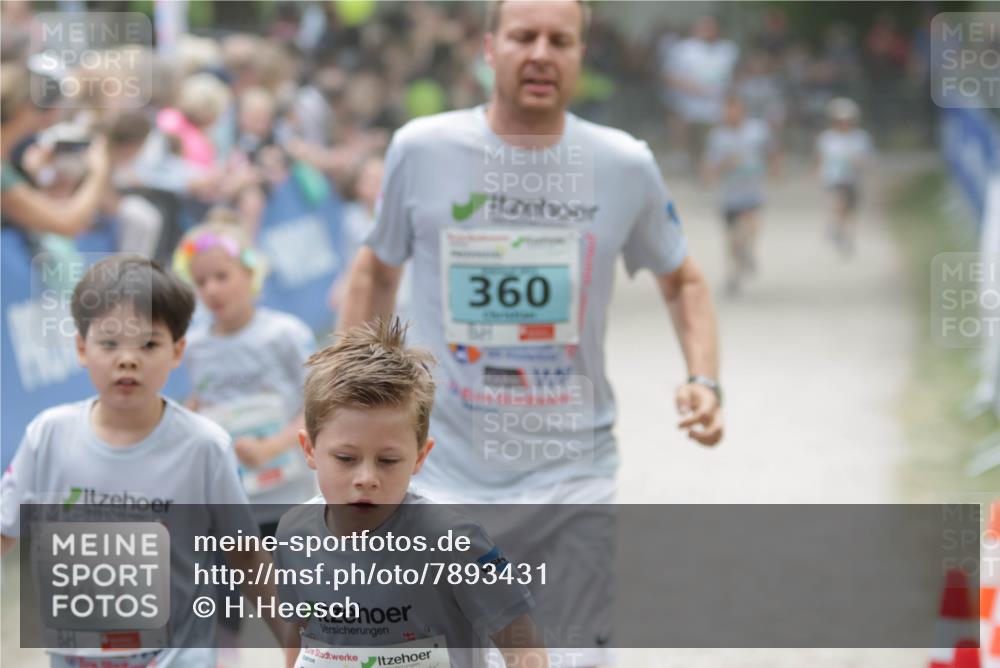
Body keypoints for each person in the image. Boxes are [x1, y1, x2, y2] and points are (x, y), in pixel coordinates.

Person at [339, 1, 723, 664]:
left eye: (560, 40)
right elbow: (375, 270)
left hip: (573, 477)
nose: (541, 52)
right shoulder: (422, 150)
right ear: (490, 48)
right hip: (444, 473)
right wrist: (346, 403)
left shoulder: (622, 163)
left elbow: (684, 279)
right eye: (523, 36)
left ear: (580, 55)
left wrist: (703, 379)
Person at [0, 254, 285, 667]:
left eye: (149, 343)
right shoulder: (48, 436)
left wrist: (292, 638)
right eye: (109, 342)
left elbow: (244, 552)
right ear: (81, 348)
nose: (128, 358)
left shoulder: (203, 446)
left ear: (177, 351)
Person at [275, 317, 547, 668]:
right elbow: (297, 633)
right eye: (346, 458)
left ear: (420, 457)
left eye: (388, 460)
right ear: (309, 449)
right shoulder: (293, 534)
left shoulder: (452, 540)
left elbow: (524, 648)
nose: (366, 478)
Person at [172, 213, 317, 536]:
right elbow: (204, 400)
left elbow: (322, 405)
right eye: (200, 282)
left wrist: (275, 445)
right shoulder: (195, 346)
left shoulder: (285, 334)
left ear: (250, 273)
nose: (211, 289)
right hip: (235, 500)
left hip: (295, 496)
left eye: (221, 276)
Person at [703, 95, 780, 296]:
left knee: (750, 225)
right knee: (731, 239)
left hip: (752, 190)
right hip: (729, 194)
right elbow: (711, 163)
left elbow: (772, 150)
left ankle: (749, 252)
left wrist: (775, 169)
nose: (730, 115)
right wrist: (716, 172)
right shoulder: (718, 136)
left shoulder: (757, 131)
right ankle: (733, 272)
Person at [664, 15, 739, 169]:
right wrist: (692, 89)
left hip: (718, 106)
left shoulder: (727, 49)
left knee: (716, 142)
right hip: (690, 106)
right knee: (694, 143)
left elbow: (736, 75)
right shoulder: (684, 49)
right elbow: (670, 76)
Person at [815, 97, 873, 258]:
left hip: (853, 178)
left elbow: (867, 157)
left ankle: (846, 234)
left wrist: (860, 162)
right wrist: (818, 173)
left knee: (851, 210)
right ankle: (838, 228)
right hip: (834, 178)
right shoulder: (827, 138)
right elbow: (820, 158)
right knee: (838, 203)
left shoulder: (860, 138)